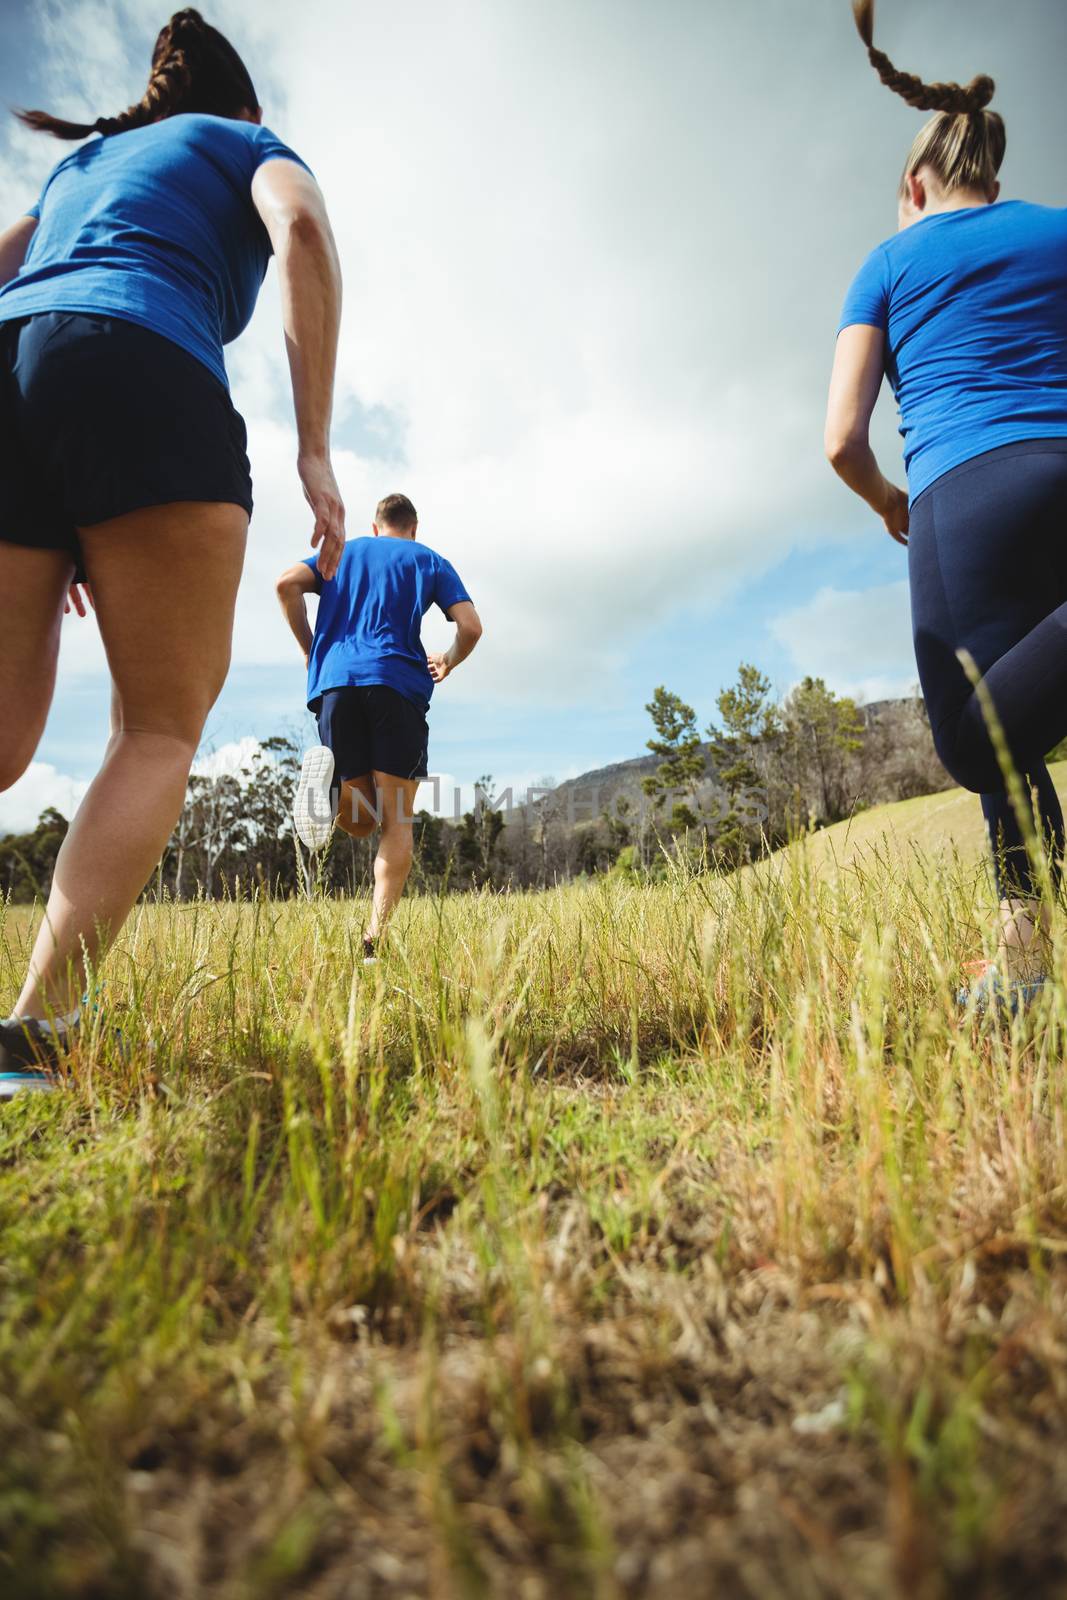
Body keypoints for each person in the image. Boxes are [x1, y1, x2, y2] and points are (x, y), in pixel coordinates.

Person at [0, 8, 344, 1095]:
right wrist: (317, 449)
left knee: (3, 743)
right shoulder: (245, 143)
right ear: (244, 106)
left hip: (13, 369)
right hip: (147, 368)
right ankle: (33, 1035)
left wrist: (51, 497)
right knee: (155, 725)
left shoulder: (82, 166)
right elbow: (302, 237)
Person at [825, 0, 1067, 1005]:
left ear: (913, 185)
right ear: (993, 181)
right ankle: (1021, 974)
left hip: (962, 493)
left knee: (974, 742)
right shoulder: (1054, 232)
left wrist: (888, 500)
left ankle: (1021, 973)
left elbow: (839, 437)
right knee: (1013, 746)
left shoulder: (888, 260)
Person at [276, 493, 482, 961]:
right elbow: (470, 627)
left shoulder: (343, 550)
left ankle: (331, 789)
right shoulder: (428, 560)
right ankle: (373, 941)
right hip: (396, 684)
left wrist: (312, 651)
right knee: (394, 821)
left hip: (334, 685)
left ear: (374, 527)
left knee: (359, 819)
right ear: (413, 527)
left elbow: (287, 583)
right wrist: (447, 660)